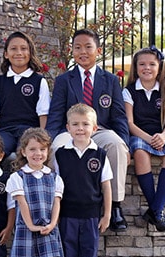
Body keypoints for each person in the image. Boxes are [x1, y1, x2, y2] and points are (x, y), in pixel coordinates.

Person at [46, 28, 130, 232]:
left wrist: (126, 144)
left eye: (88, 47)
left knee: (116, 145)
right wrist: (48, 140)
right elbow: (56, 114)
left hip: (99, 130)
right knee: (56, 148)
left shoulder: (110, 80)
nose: (82, 51)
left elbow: (119, 115)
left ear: (98, 50)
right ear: (72, 51)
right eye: (77, 48)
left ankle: (116, 207)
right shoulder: (64, 80)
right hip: (71, 130)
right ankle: (56, 201)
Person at [53, 103, 112, 257]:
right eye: (75, 124)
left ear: (94, 128)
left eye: (85, 124)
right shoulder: (61, 155)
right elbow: (56, 188)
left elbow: (106, 186)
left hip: (91, 217)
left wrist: (106, 214)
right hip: (67, 216)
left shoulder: (100, 154)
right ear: (68, 127)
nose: (80, 128)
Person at [5, 127, 64, 257]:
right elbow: (21, 204)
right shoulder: (18, 177)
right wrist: (31, 226)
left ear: (47, 152)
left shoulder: (54, 177)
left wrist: (52, 224)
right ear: (23, 151)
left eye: (42, 149)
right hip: (26, 229)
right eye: (32, 149)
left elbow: (56, 203)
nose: (37, 153)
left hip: (47, 228)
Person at [122, 46, 165, 232]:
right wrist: (148, 138)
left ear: (159, 67)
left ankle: (155, 210)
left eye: (151, 64)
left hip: (161, 135)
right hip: (140, 135)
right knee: (140, 153)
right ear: (136, 67)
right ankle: (157, 212)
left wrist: (163, 136)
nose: (146, 68)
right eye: (142, 64)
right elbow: (129, 123)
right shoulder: (129, 92)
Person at [0, 31, 51, 157]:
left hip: (30, 132)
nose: (19, 53)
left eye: (23, 49)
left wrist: (43, 141)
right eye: (13, 49)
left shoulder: (39, 81)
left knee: (25, 153)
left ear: (30, 53)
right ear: (6, 54)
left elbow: (43, 115)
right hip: (5, 132)